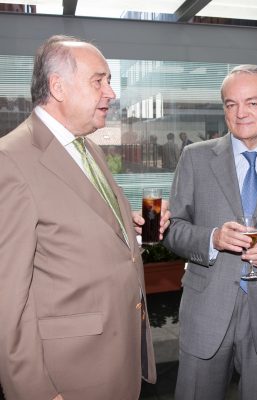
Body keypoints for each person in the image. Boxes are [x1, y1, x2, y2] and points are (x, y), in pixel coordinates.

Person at [0, 35, 169, 400]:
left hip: (118, 357)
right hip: (71, 375)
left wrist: (128, 232)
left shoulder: (87, 146)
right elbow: (7, 301)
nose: (111, 93)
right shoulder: (9, 161)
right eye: (99, 81)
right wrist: (36, 392)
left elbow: (75, 230)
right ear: (58, 87)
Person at [163, 64, 257, 400]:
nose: (240, 113)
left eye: (252, 102)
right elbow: (173, 230)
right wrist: (212, 239)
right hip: (206, 311)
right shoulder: (195, 158)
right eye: (231, 104)